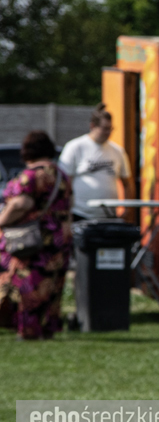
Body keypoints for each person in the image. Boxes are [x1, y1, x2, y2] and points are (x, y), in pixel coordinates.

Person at [0, 131, 73, 339]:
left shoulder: (30, 176)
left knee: (29, 284)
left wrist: (2, 221)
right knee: (52, 284)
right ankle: (48, 328)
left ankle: (29, 330)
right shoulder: (61, 175)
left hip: (33, 237)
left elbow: (22, 204)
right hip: (60, 235)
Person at [58, 103, 134, 221]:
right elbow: (64, 182)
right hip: (80, 214)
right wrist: (65, 211)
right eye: (104, 128)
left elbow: (127, 183)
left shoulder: (118, 151)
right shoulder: (75, 147)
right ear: (93, 126)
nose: (108, 132)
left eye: (110, 128)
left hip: (109, 215)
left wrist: (127, 208)